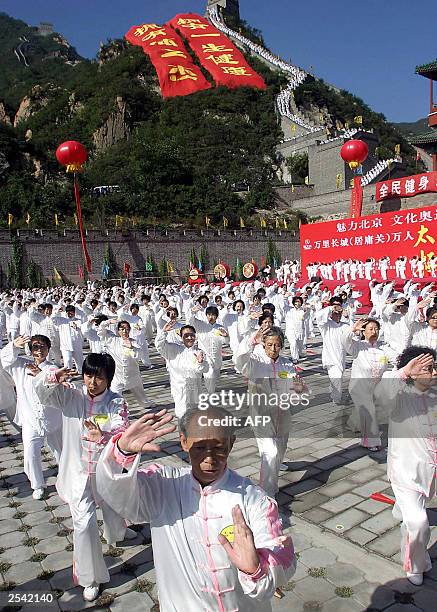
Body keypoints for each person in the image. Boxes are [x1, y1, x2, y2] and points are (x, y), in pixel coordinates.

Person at [96, 406, 296, 611]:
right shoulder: (163, 484)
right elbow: (115, 494)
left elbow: (281, 557)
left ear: (231, 443)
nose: (209, 457)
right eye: (200, 447)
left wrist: (256, 570)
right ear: (183, 442)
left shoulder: (254, 498)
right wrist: (121, 452)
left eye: (219, 447)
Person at [32, 353, 135, 601]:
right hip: (77, 474)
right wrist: (51, 377)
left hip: (104, 471)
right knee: (84, 524)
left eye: (99, 377)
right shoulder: (70, 396)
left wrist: (104, 435)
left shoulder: (115, 402)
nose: (92, 382)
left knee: (113, 508)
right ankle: (90, 577)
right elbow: (42, 393)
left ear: (108, 379)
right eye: (89, 375)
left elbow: (122, 432)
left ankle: (118, 533)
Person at [375, 347, 437, 586]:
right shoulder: (399, 396)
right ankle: (415, 564)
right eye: (425, 369)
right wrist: (403, 372)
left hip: (430, 472)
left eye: (432, 368)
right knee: (418, 522)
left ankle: (400, 508)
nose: (431, 373)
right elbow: (380, 394)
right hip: (406, 471)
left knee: (417, 509)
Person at [235, 324, 306, 498]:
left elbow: (295, 389)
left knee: (279, 452)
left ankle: (271, 480)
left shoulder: (286, 364)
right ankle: (266, 494)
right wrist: (252, 340)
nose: (273, 349)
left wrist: (298, 388)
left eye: (277, 345)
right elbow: (239, 360)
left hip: (282, 415)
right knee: (271, 452)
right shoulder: (255, 362)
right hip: (261, 415)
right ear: (263, 344)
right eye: (269, 345)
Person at [1, 334, 62, 499]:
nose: (39, 350)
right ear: (30, 349)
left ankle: (66, 478)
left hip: (53, 418)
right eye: (35, 346)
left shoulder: (52, 367)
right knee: (30, 454)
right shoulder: (20, 365)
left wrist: (42, 375)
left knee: (61, 451)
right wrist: (13, 345)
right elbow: (4, 360)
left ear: (48, 349)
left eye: (43, 346)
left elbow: (52, 382)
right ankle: (38, 485)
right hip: (30, 420)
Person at [347, 318, 395, 450]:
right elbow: (345, 341)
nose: (374, 331)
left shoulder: (383, 347)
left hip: (376, 386)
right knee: (370, 411)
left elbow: (396, 357)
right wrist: (353, 330)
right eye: (371, 329)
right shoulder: (358, 346)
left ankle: (353, 423)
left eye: (376, 329)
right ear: (364, 331)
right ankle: (369, 442)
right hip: (359, 387)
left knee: (367, 410)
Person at [155, 322, 208, 418]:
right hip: (180, 390)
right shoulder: (173, 349)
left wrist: (200, 362)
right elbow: (160, 346)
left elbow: (204, 369)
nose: (189, 338)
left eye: (191, 335)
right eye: (186, 335)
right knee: (182, 414)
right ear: (181, 336)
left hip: (195, 390)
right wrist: (163, 332)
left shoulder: (199, 352)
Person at [97, 319, 151, 407]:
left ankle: (147, 404)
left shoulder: (134, 342)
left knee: (142, 397)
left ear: (130, 330)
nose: (124, 331)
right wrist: (108, 322)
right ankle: (116, 411)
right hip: (117, 376)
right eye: (122, 329)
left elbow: (138, 356)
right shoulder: (113, 340)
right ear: (118, 331)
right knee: (114, 396)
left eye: (126, 329)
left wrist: (131, 347)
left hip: (133, 375)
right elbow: (101, 332)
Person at [315, 297, 351, 404]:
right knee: (337, 377)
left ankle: (334, 390)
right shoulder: (326, 325)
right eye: (335, 313)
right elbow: (319, 316)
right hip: (330, 357)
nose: (338, 315)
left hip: (341, 358)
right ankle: (336, 398)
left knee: (338, 377)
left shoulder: (344, 326)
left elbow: (352, 332)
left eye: (339, 313)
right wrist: (331, 308)